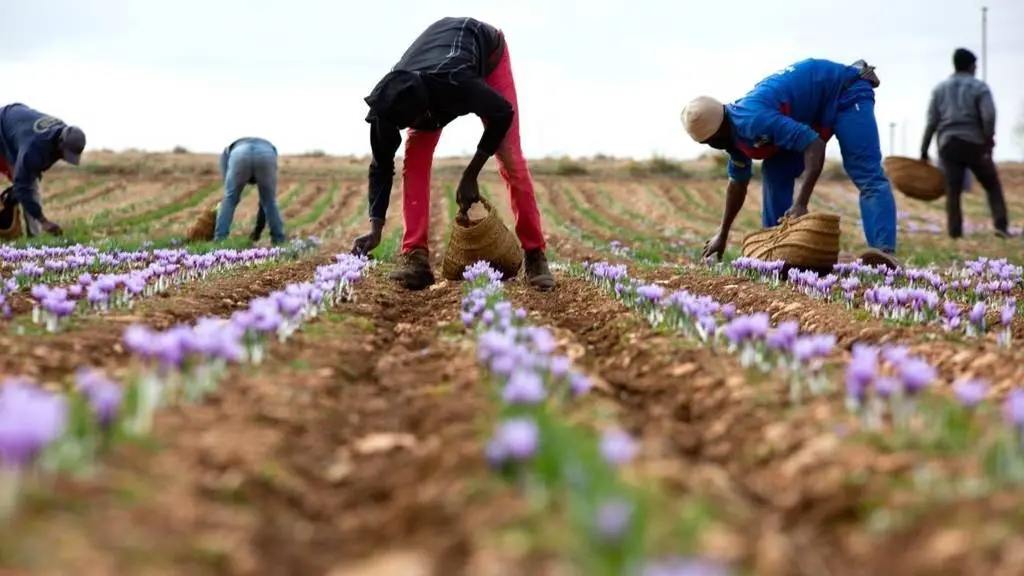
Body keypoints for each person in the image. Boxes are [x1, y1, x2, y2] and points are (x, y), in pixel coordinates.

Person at [351, 16, 555, 291]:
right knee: (415, 159)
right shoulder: (388, 104)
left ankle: (535, 254)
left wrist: (471, 174)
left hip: (487, 51)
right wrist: (376, 228)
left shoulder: (457, 81)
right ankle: (415, 256)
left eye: (421, 121)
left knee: (510, 157)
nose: (420, 127)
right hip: (432, 67)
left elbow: (502, 112)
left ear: (428, 110)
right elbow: (381, 166)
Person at [681, 58, 900, 269]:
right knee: (776, 170)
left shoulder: (752, 120)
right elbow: (737, 185)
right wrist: (723, 232)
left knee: (865, 171)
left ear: (719, 130)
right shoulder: (732, 136)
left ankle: (883, 254)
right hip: (811, 114)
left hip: (844, 91)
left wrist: (801, 202)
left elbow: (814, 145)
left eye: (711, 141)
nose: (712, 147)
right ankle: (777, 250)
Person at [920, 48, 1010, 239]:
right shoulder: (979, 87)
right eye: (975, 66)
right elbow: (989, 116)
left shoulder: (939, 89)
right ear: (970, 66)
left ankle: (954, 232)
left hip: (949, 144)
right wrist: (988, 141)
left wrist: (924, 150)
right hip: (974, 143)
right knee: (992, 185)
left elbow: (932, 121)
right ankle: (1001, 227)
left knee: (953, 190)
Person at [0, 103, 87, 237]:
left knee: (28, 184)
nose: (66, 159)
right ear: (60, 143)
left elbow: (33, 172)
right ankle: (28, 227)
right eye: (66, 154)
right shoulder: (32, 149)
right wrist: (44, 221)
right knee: (26, 186)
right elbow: (23, 185)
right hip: (3, 128)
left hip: (17, 125)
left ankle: (34, 237)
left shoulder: (63, 134)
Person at [215, 137, 286, 245]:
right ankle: (279, 240)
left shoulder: (228, 151)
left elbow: (227, 189)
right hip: (267, 155)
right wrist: (258, 232)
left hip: (239, 155)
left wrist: (257, 231)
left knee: (229, 198)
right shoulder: (269, 147)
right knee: (269, 201)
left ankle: (220, 239)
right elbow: (265, 203)